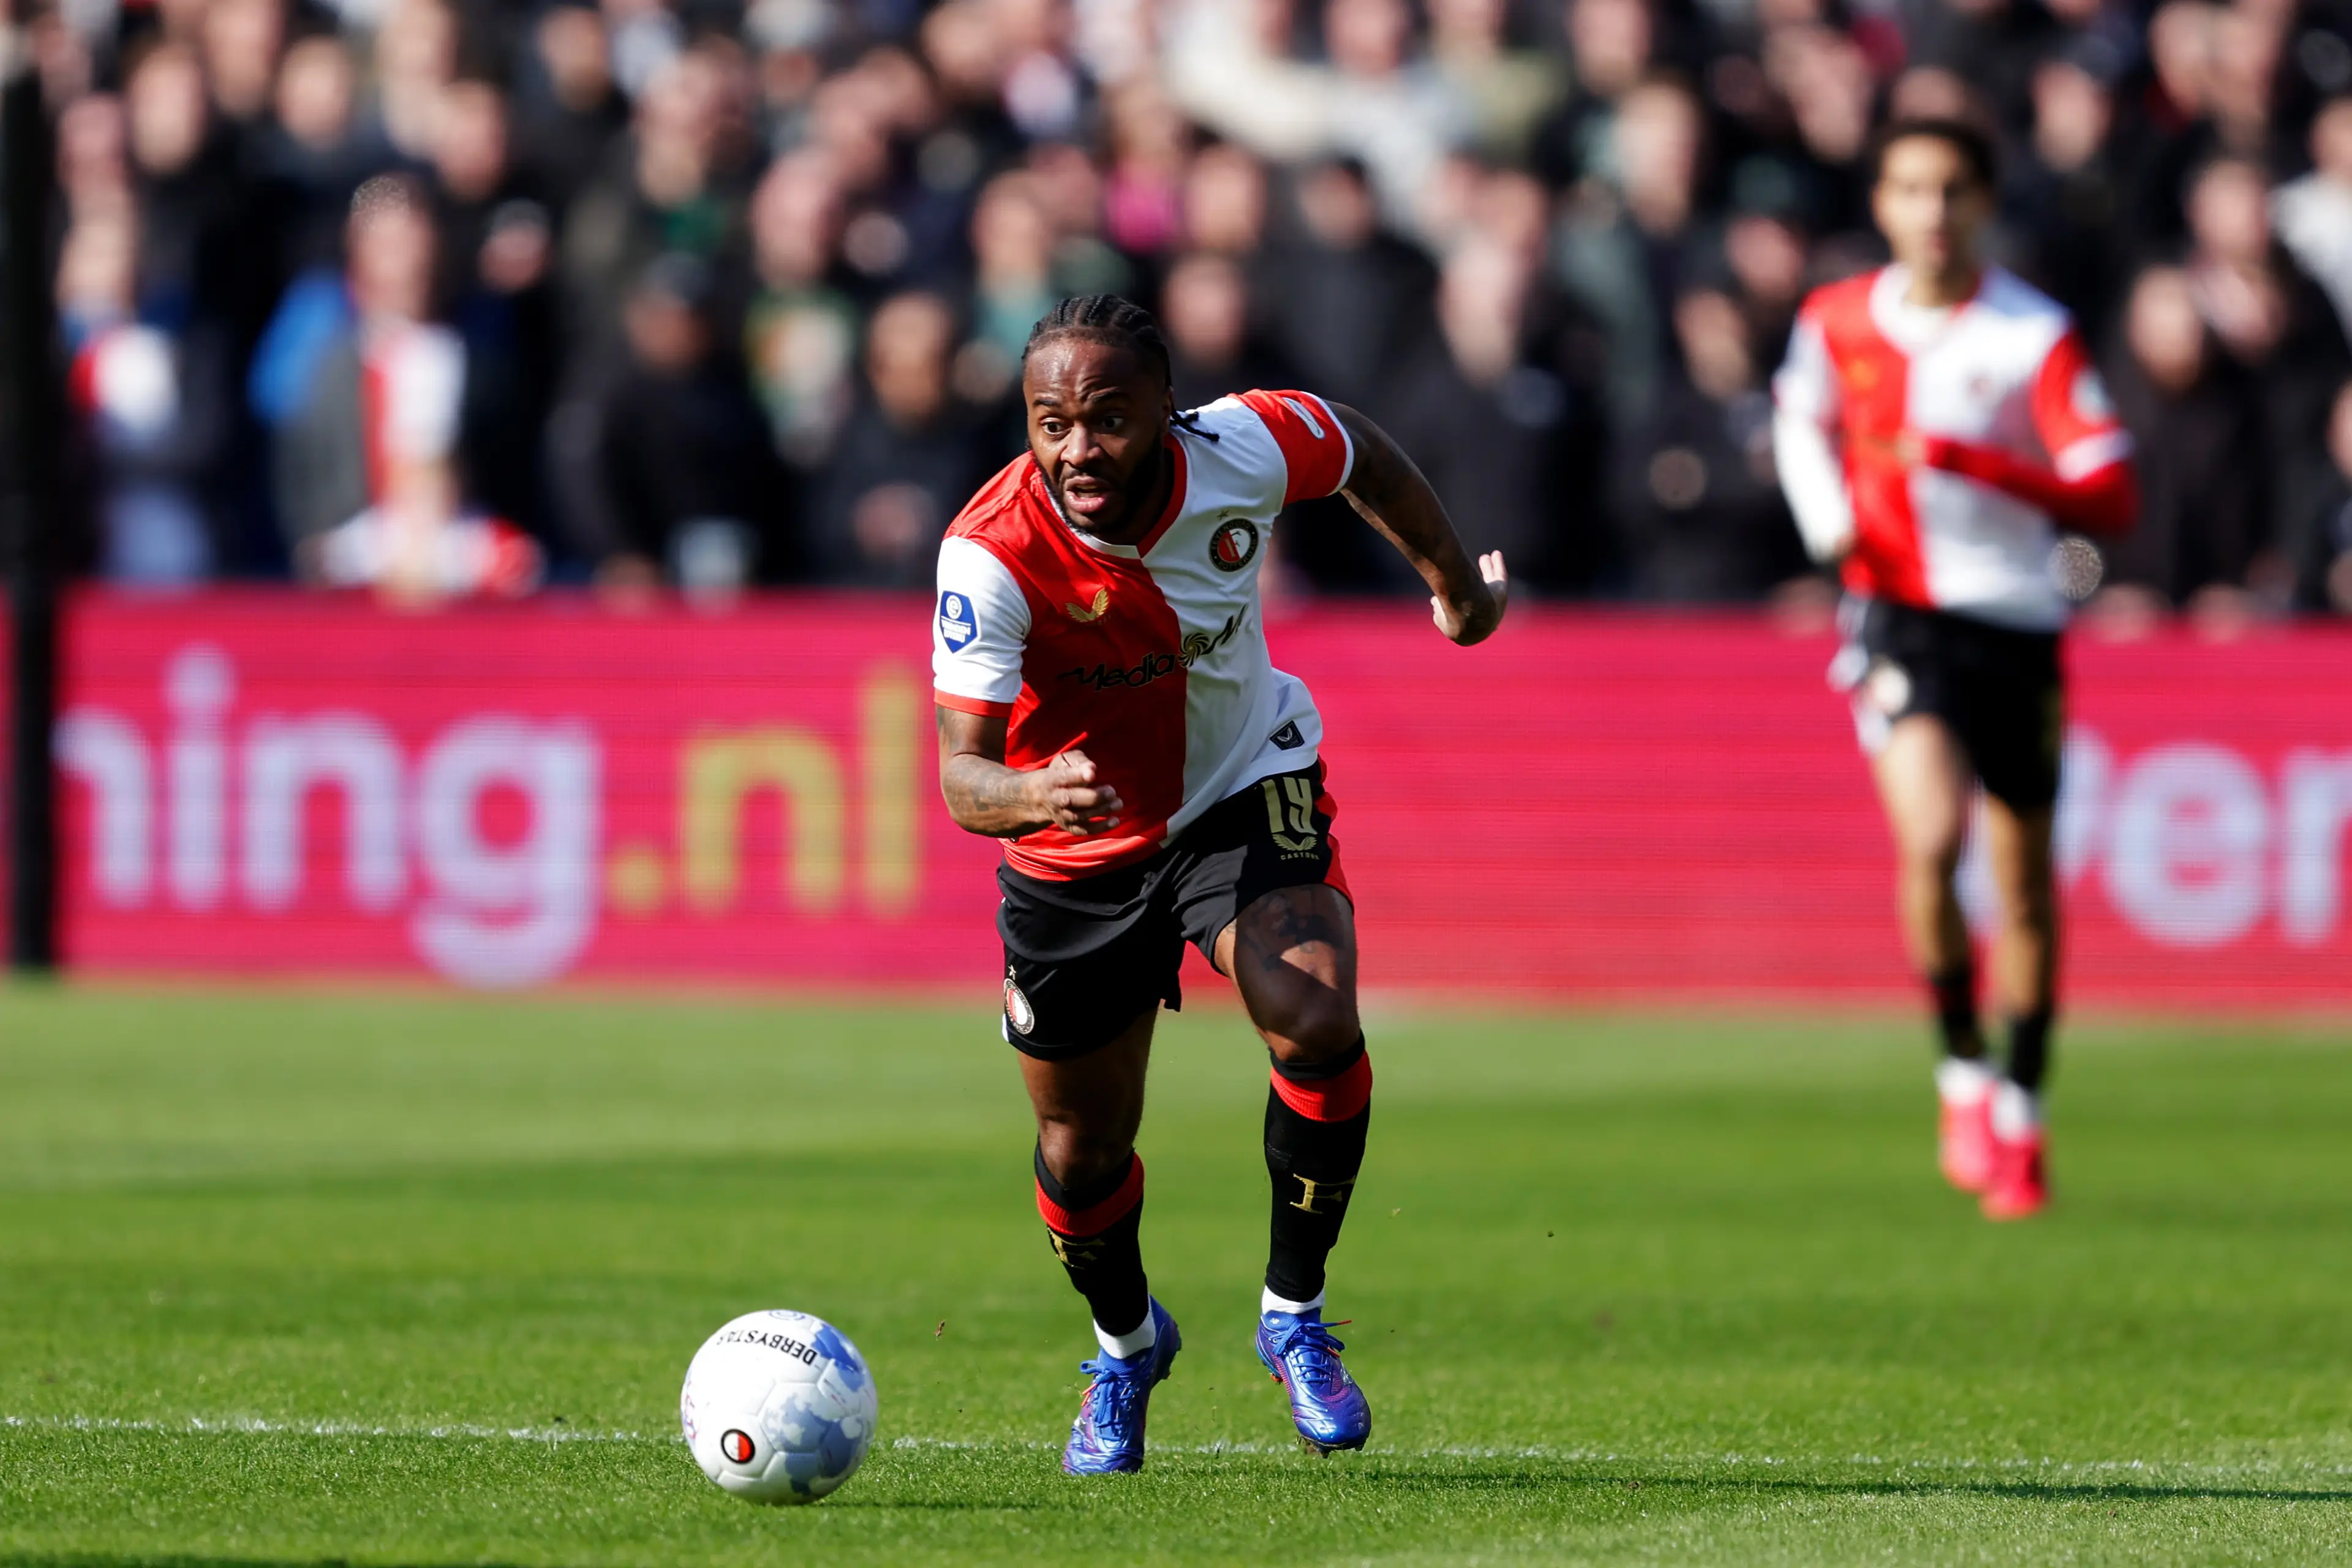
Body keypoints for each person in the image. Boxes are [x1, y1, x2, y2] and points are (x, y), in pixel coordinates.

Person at [929, 295, 1506, 1473]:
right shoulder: (989, 554)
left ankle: (1295, 1319)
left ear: (1164, 413)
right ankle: (1126, 1344)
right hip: (1074, 851)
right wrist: (1035, 797)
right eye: (1051, 423)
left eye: (1107, 419)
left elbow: (1357, 448)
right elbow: (960, 779)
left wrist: (1453, 581)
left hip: (1243, 786)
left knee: (1315, 1016)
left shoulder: (1240, 448)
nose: (1077, 449)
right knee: (1081, 1149)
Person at [1771, 119, 2138, 1222]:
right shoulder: (1837, 319)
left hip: (2017, 617)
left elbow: (2109, 492)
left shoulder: (2032, 335)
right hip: (1897, 612)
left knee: (2022, 886)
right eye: (1912, 189)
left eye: (1954, 191)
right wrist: (1831, 522)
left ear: (1982, 205)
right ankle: (1962, 1070)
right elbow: (1801, 421)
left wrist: (1977, 462)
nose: (1933, 212)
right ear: (1884, 203)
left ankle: (2023, 1108)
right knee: (1932, 837)